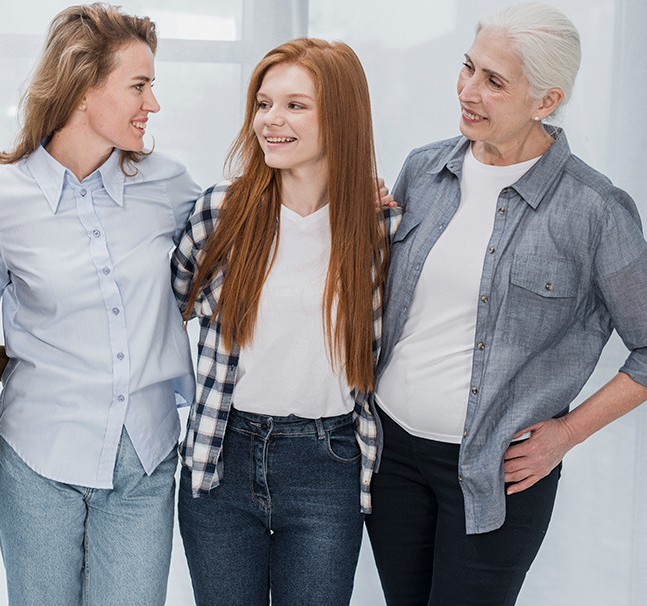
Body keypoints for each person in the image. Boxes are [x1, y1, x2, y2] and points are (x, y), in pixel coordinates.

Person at [364, 3, 647, 605]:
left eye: (495, 81)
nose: (469, 91)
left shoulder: (593, 209)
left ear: (546, 101)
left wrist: (566, 433)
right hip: (391, 456)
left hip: (497, 474)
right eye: (468, 68)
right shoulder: (424, 169)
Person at [0, 4, 202, 604]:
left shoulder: (170, 186)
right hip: (38, 456)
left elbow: (253, 236)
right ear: (80, 88)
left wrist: (358, 200)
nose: (153, 104)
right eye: (139, 86)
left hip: (144, 459)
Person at [172, 38, 398, 606]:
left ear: (341, 116)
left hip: (330, 464)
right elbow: (164, 314)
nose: (270, 120)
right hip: (222, 455)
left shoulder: (381, 230)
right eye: (264, 103)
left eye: (296, 105)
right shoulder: (219, 212)